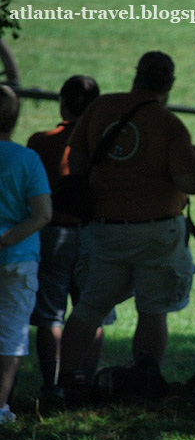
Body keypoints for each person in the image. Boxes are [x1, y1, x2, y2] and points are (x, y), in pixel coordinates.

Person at [57, 51, 195, 400]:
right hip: (157, 231)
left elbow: (77, 160)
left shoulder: (101, 108)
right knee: (153, 308)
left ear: (136, 74)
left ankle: (63, 380)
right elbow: (189, 181)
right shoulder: (168, 124)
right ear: (169, 83)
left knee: (90, 307)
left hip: (104, 228)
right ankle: (146, 382)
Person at [26, 75, 111, 412]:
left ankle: (52, 387)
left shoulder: (39, 142)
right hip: (91, 234)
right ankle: (83, 383)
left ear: (62, 102)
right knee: (92, 311)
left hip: (52, 235)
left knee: (50, 316)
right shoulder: (101, 146)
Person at [0, 85, 53, 423]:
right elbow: (43, 214)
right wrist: (6, 240)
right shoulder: (27, 159)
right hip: (18, 257)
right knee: (11, 332)